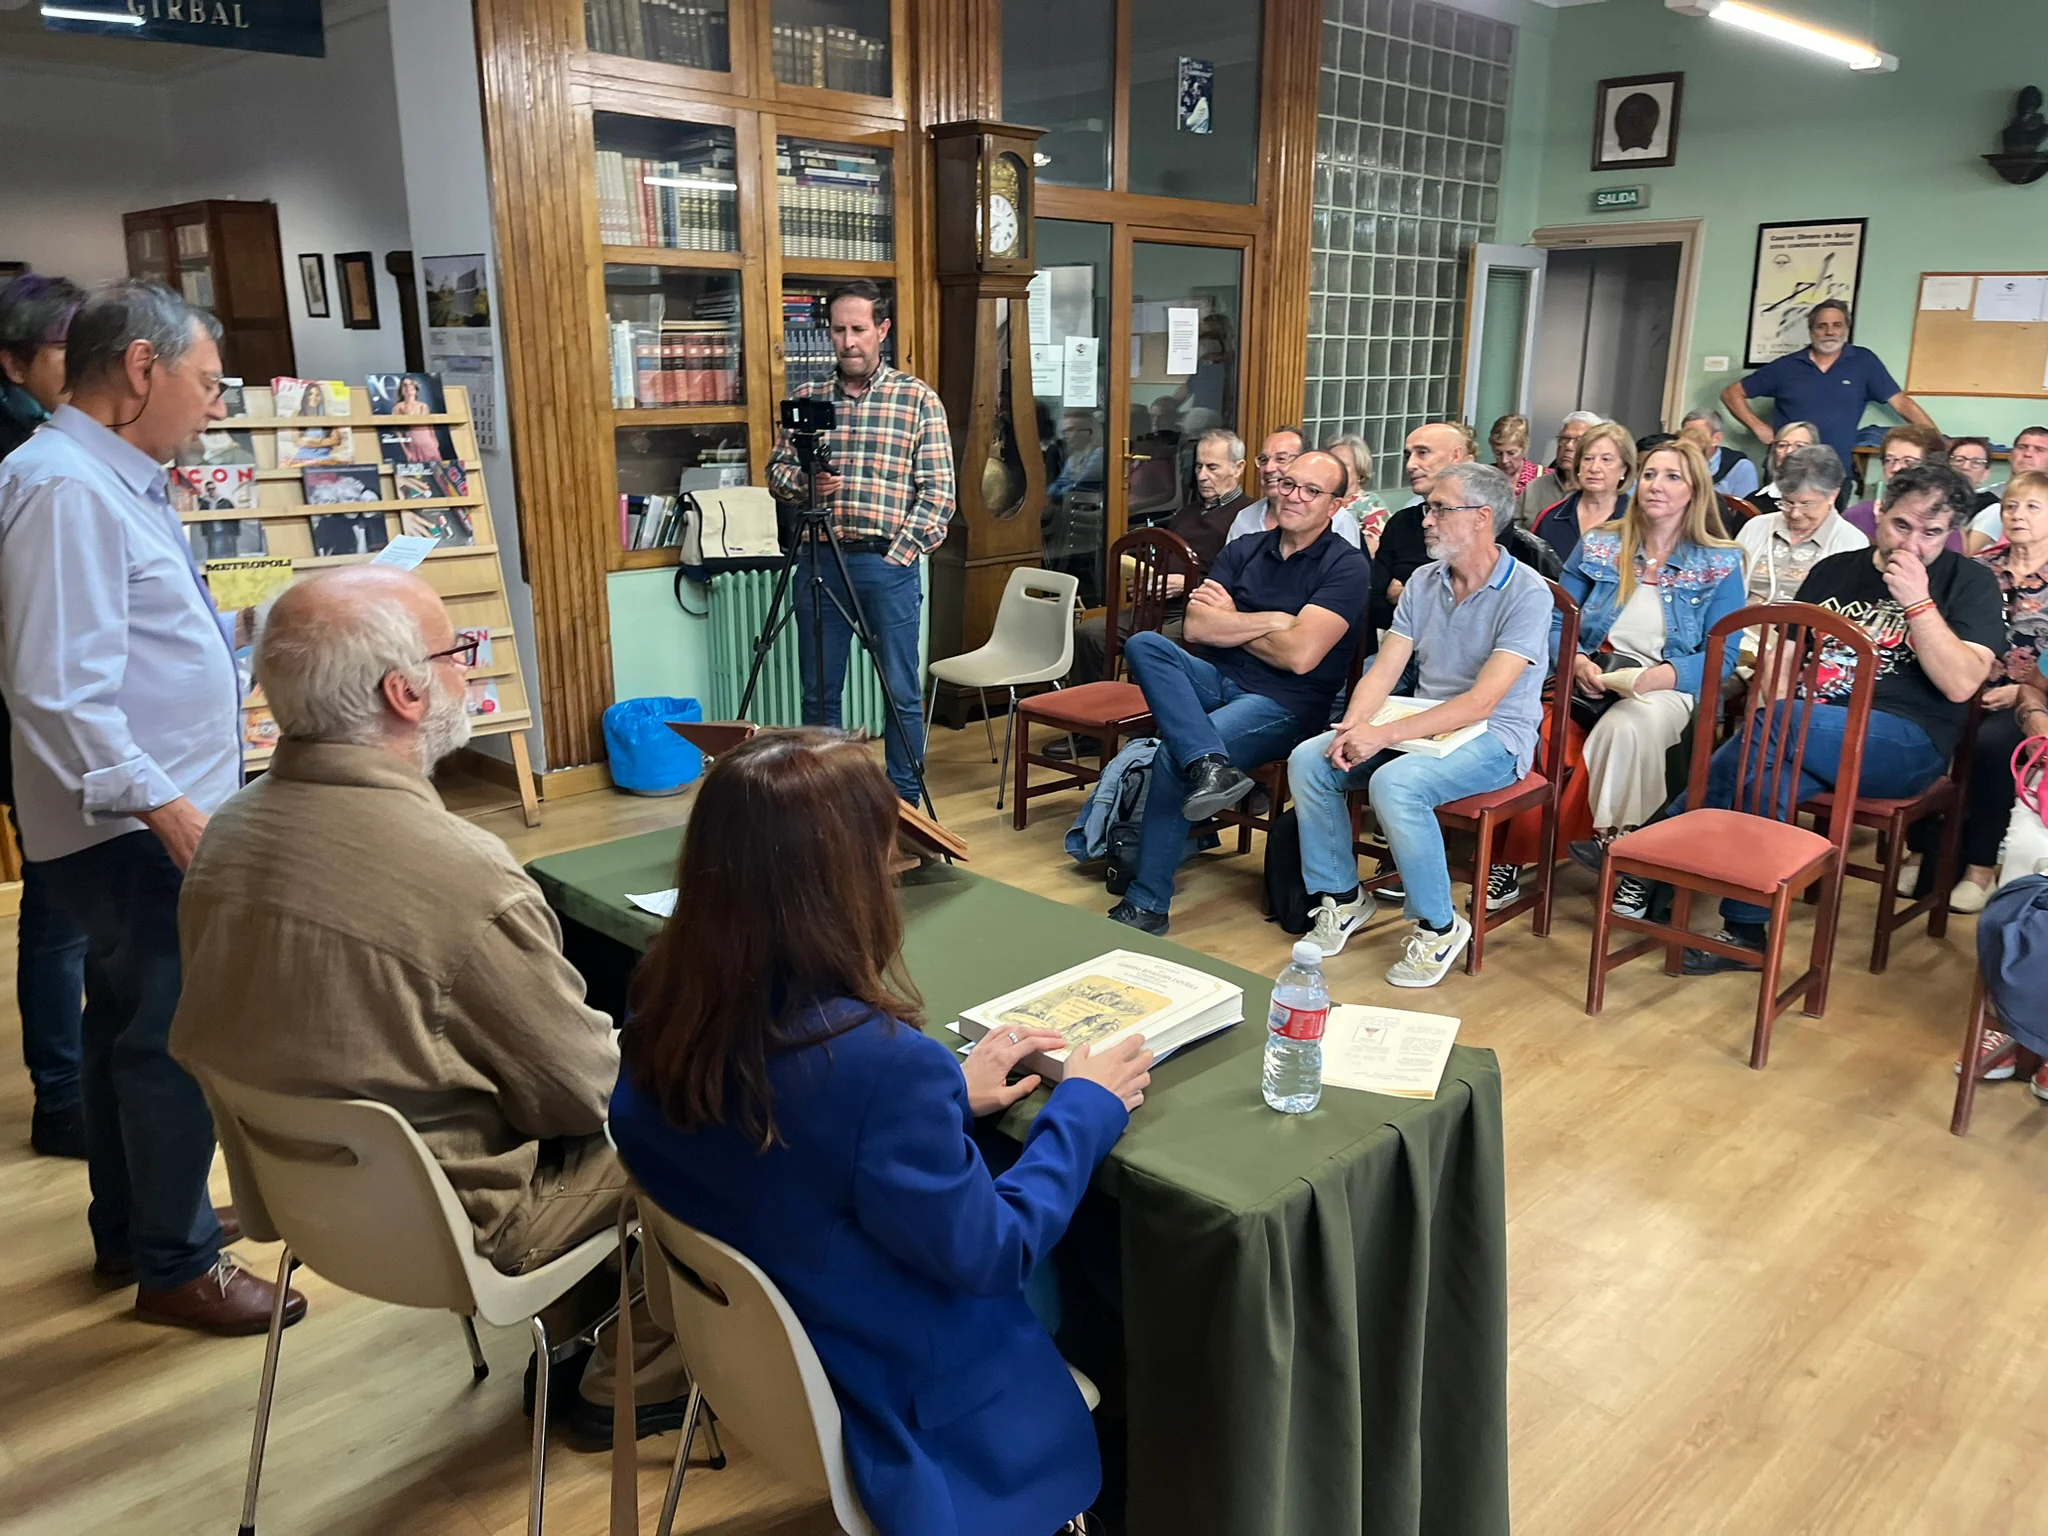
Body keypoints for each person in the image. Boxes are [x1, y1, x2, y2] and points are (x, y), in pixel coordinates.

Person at [169, 566, 688, 1440]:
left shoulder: (228, 833)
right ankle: (631, 1369)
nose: (469, 671)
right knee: (712, 1098)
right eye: (459, 653)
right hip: (473, 1225)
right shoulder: (462, 874)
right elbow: (590, 1096)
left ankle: (582, 1316)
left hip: (315, 1208)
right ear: (404, 694)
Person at [608, 728, 1152, 1536]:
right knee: (1112, 1260)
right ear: (844, 881)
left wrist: (944, 1103)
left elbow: (784, 1135)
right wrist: (1086, 1107)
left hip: (762, 1360)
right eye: (884, 856)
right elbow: (993, 1253)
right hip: (890, 1378)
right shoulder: (877, 1066)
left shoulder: (666, 993)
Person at [0, 280, 299, 1331]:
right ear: (140, 369)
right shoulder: (67, 487)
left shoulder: (111, 477)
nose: (216, 406)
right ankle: (177, 1266)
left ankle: (135, 1227)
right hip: (130, 827)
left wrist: (237, 637)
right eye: (208, 384)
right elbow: (55, 687)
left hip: (130, 818)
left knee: (128, 1020)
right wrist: (171, 811)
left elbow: (126, 644)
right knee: (174, 1035)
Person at [1680, 463, 2006, 975]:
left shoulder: (1970, 583)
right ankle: (1744, 932)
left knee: (1778, 723)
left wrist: (1918, 603)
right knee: (1770, 775)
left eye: (1932, 533)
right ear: (1879, 512)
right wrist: (1774, 707)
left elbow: (1962, 684)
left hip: (1908, 742)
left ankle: (1665, 837)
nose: (1913, 544)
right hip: (1811, 729)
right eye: (1901, 526)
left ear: (1953, 533)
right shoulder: (1835, 569)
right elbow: (1784, 658)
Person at [1287, 463, 1552, 985]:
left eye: (1439, 509)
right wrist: (1354, 727)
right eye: (1428, 508)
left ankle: (1439, 926)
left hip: (1497, 736)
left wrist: (1381, 736)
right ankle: (1341, 898)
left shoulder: (1527, 592)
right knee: (1310, 758)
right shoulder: (1423, 583)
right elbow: (1385, 668)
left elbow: (1481, 703)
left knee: (1395, 783)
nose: (1425, 520)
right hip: (1422, 725)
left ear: (1481, 518)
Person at [1109, 449, 1371, 935]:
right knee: (1148, 644)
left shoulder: (1346, 566)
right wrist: (1276, 621)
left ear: (1335, 506)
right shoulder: (1244, 548)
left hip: (1287, 704)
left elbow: (1301, 657)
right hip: (1218, 680)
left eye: (1312, 491)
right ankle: (1210, 762)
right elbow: (1195, 627)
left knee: (1173, 753)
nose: (1294, 497)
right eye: (1289, 484)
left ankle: (1148, 903)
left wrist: (1233, 622)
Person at [766, 280, 957, 803]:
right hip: (819, 559)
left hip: (884, 562)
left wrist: (901, 554)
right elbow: (776, 473)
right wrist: (806, 483)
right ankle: (826, 801)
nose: (848, 341)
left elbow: (939, 493)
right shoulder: (807, 401)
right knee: (819, 692)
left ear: (881, 331)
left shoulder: (917, 400)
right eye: (838, 330)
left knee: (899, 691)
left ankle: (903, 805)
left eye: (858, 329)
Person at [1556, 439, 1747, 920]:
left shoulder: (1719, 562)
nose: (1656, 485)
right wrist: (1577, 661)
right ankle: (1635, 866)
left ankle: (1620, 851)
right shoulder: (1603, 542)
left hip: (1670, 686)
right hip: (1597, 674)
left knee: (1630, 724)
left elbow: (1722, 658)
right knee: (1598, 720)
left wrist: (1662, 675)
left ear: (1695, 492)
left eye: (1672, 477)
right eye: (1650, 474)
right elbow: (1557, 618)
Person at [0, 273, 91, 1158]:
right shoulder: (34, 465)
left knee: (69, 911)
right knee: (59, 913)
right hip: (37, 720)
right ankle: (62, 1095)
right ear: (16, 360)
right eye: (67, 349)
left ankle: (72, 1088)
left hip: (62, 720)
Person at [1917, 472, 2048, 914]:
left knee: (1991, 746)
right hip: (1962, 685)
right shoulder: (1978, 568)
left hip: (2028, 701)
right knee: (1922, 723)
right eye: (2011, 506)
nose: (2017, 515)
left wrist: (2019, 693)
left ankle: (1979, 868)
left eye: (2032, 507)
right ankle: (1925, 852)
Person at [1068, 427, 1252, 684]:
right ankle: (1088, 719)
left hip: (1198, 612)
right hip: (1156, 606)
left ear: (1238, 468)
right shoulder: (1186, 512)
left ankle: (1143, 721)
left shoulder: (1247, 517)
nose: (1202, 476)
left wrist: (1188, 584)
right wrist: (1145, 579)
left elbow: (1241, 582)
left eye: (1213, 467)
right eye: (1198, 467)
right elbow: (1164, 557)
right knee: (1089, 633)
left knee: (1151, 645)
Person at [1719, 299, 1938, 479]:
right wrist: (1757, 426)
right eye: (1821, 326)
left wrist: (1937, 443)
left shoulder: (1864, 362)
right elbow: (1731, 394)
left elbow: (1902, 403)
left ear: (1846, 328)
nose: (1829, 332)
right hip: (1787, 469)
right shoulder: (1786, 366)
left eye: (1836, 325)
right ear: (1811, 330)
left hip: (1835, 470)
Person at [1734, 445, 1868, 605]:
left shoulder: (1852, 543)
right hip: (1743, 626)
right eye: (1787, 502)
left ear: (1833, 495)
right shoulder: (1756, 527)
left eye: (1806, 504)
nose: (1794, 514)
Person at [1374, 422, 1477, 612]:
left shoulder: (1482, 521)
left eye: (1422, 453)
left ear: (1456, 456)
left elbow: (1470, 601)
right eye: (1408, 455)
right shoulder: (1401, 523)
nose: (1410, 465)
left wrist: (1407, 590)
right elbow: (1377, 605)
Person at [1226, 425, 1360, 550]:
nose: (1268, 468)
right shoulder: (1245, 518)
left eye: (1281, 459)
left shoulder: (1339, 520)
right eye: (1263, 460)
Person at [1531, 419, 1633, 563]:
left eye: (1606, 459)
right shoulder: (1551, 518)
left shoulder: (1638, 521)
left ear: (1624, 469)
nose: (1594, 468)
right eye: (1588, 458)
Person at [1843, 424, 1954, 546]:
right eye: (1889, 460)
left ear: (1931, 469)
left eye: (1908, 461)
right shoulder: (1855, 516)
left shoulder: (1941, 523)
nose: (1895, 468)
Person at [1967, 426, 2048, 552]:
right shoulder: (1982, 497)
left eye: (2039, 450)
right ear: (2011, 455)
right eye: (2022, 447)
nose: (2027, 454)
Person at [1519, 410, 1603, 526]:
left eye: (1578, 440)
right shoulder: (1534, 488)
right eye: (1564, 439)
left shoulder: (1599, 492)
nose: (1568, 446)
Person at [1323, 430, 1391, 550]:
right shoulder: (1322, 498)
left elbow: (1372, 551)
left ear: (1359, 470)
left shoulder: (1371, 505)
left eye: (1342, 465)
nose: (1334, 469)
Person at [1746, 419, 1821, 521]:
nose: (1789, 451)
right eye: (1782, 445)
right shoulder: (1752, 502)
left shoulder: (1827, 499)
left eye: (1799, 446)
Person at [1679, 408, 1761, 500]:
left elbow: (1746, 511)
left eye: (1697, 436)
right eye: (1686, 436)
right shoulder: (1676, 462)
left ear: (1716, 439)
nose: (1690, 443)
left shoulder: (1740, 467)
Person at [1949, 435, 2000, 522]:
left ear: (1985, 474)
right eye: (1959, 460)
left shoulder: (1990, 507)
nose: (1965, 467)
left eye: (1976, 462)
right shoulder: (1931, 498)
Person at [1488, 413, 1540, 497]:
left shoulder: (1542, 478)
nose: (1504, 460)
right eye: (1498, 453)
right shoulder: (1486, 477)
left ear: (1524, 448)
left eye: (1511, 453)